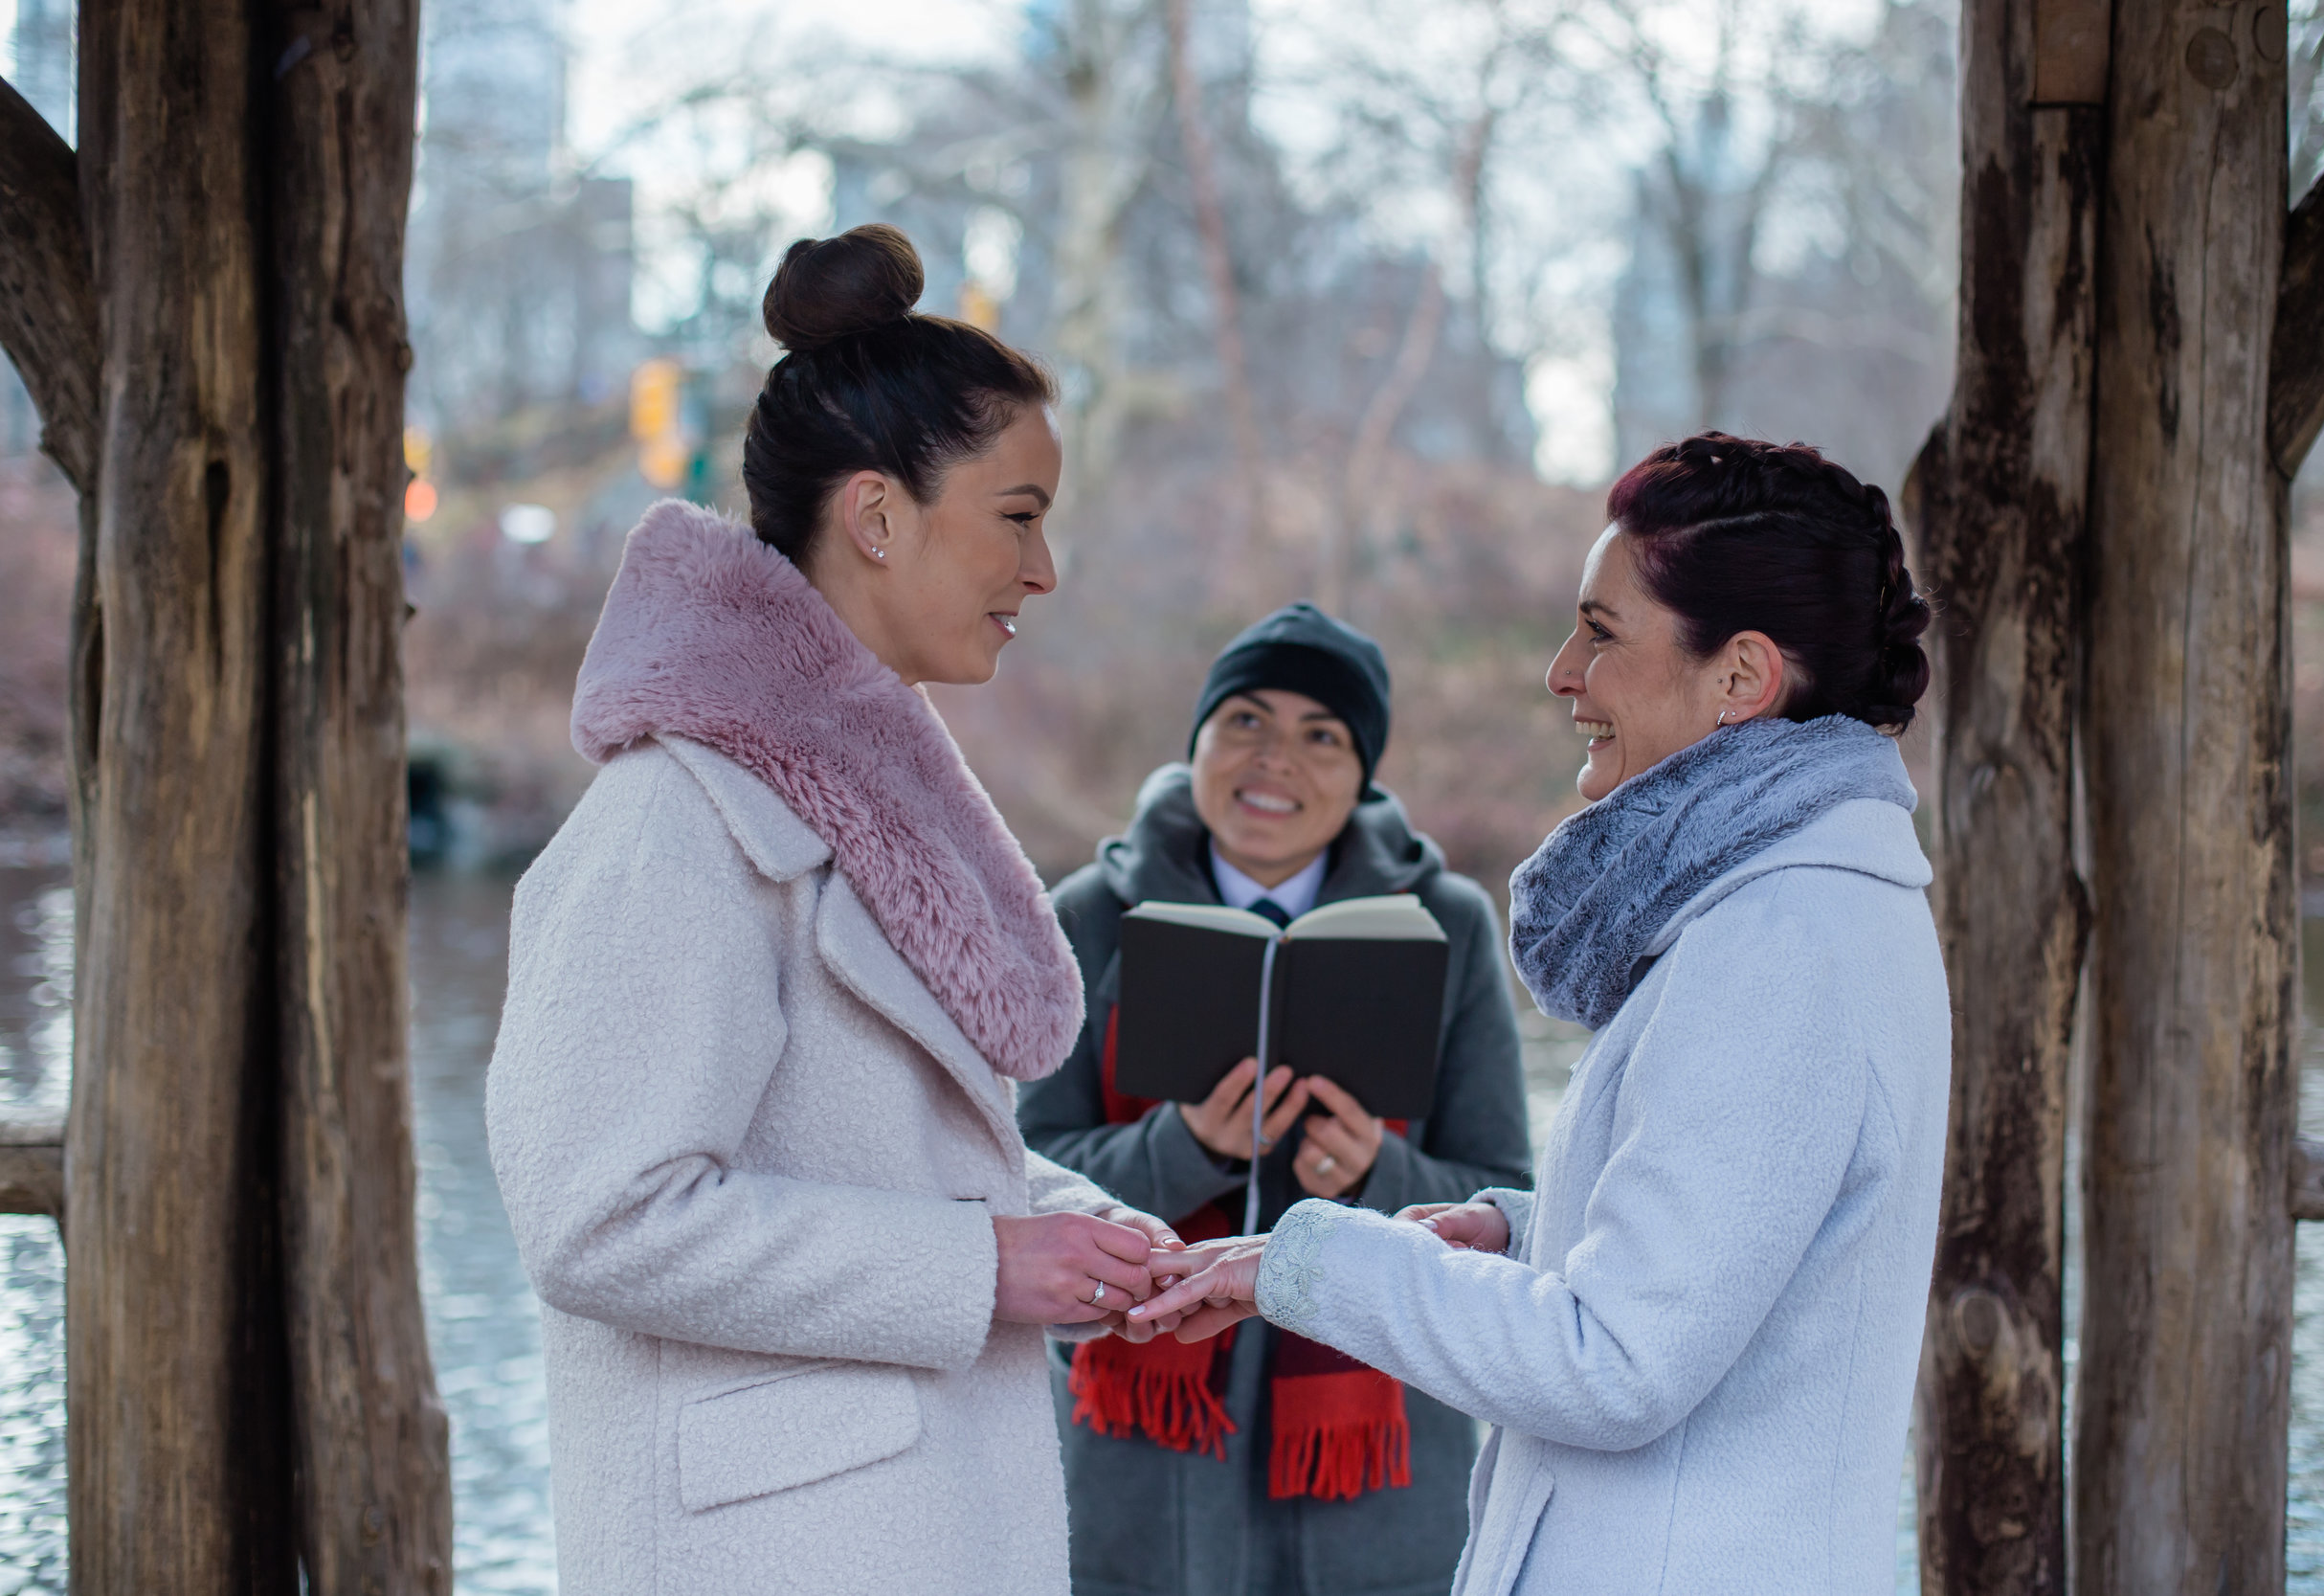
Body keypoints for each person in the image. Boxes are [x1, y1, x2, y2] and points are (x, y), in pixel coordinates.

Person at [486, 224, 1184, 1596]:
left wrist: (1077, 1232)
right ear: (877, 515)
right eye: (1020, 516)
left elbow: (870, 1152)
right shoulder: (670, 825)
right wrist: (989, 1265)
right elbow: (600, 1217)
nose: (1042, 572)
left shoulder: (852, 804)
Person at [1132, 434, 1950, 1596]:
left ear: (1740, 677)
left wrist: (1309, 1259)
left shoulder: (1780, 944)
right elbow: (1731, 1257)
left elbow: (1615, 1361)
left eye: (1603, 632)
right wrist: (1524, 1233)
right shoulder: (1779, 910)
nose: (1564, 671)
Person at [1017, 602, 1533, 1596]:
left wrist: (1375, 1173)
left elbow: (1500, 1196)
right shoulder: (1088, 914)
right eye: (1245, 719)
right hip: (1138, 1464)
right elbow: (1026, 1174)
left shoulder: (1450, 926)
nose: (1276, 759)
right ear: (1199, 738)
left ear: (1363, 769)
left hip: (1374, 1467)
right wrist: (1186, 1146)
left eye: (1321, 734)